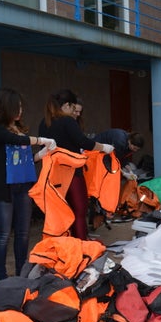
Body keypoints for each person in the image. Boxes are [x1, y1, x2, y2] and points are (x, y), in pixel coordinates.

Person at [0, 87, 56, 280]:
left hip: (23, 185)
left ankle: (21, 274)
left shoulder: (20, 129)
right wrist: (41, 140)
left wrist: (40, 155)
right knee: (3, 234)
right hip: (2, 186)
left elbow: (22, 159)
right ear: (5, 108)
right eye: (16, 106)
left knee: (23, 233)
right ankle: (1, 278)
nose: (20, 110)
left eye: (20, 107)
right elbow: (14, 141)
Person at [38, 89, 114, 240]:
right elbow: (83, 142)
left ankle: (65, 245)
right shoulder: (67, 121)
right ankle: (80, 245)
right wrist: (103, 147)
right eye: (74, 109)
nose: (76, 113)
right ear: (66, 105)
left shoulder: (44, 122)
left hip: (53, 175)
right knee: (79, 211)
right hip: (72, 173)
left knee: (60, 213)